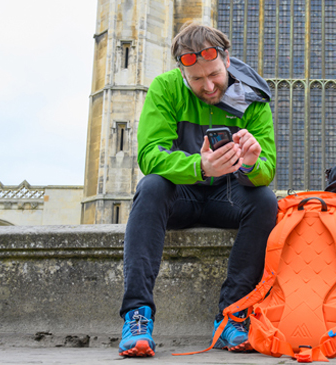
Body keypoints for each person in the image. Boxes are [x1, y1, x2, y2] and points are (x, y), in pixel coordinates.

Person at [117, 22, 278, 357]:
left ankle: (232, 316)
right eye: (197, 79)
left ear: (227, 62)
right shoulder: (164, 88)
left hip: (228, 197)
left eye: (215, 75)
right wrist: (199, 166)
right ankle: (137, 315)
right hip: (180, 196)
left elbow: (267, 170)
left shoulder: (253, 98)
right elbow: (149, 156)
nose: (208, 86)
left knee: (264, 200)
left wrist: (250, 163)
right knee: (150, 187)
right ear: (182, 73)